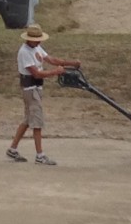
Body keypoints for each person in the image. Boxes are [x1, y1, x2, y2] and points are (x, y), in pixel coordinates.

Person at [7, 24, 78, 165]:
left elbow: (51, 60)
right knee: (37, 122)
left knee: (28, 120)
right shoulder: (24, 52)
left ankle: (12, 148)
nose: (39, 42)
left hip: (35, 88)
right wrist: (55, 72)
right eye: (37, 39)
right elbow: (37, 74)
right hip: (30, 89)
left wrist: (70, 63)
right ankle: (40, 155)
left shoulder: (36, 47)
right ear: (29, 39)